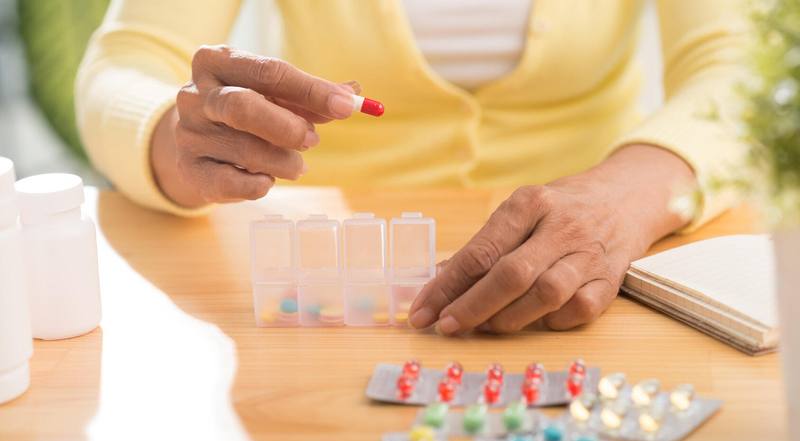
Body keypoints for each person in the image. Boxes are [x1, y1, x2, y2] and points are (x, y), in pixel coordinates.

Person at [75, 0, 747, 335]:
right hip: (348, 305)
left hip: (601, 282)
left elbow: (745, 68)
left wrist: (626, 196)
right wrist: (174, 135)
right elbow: (121, 65)